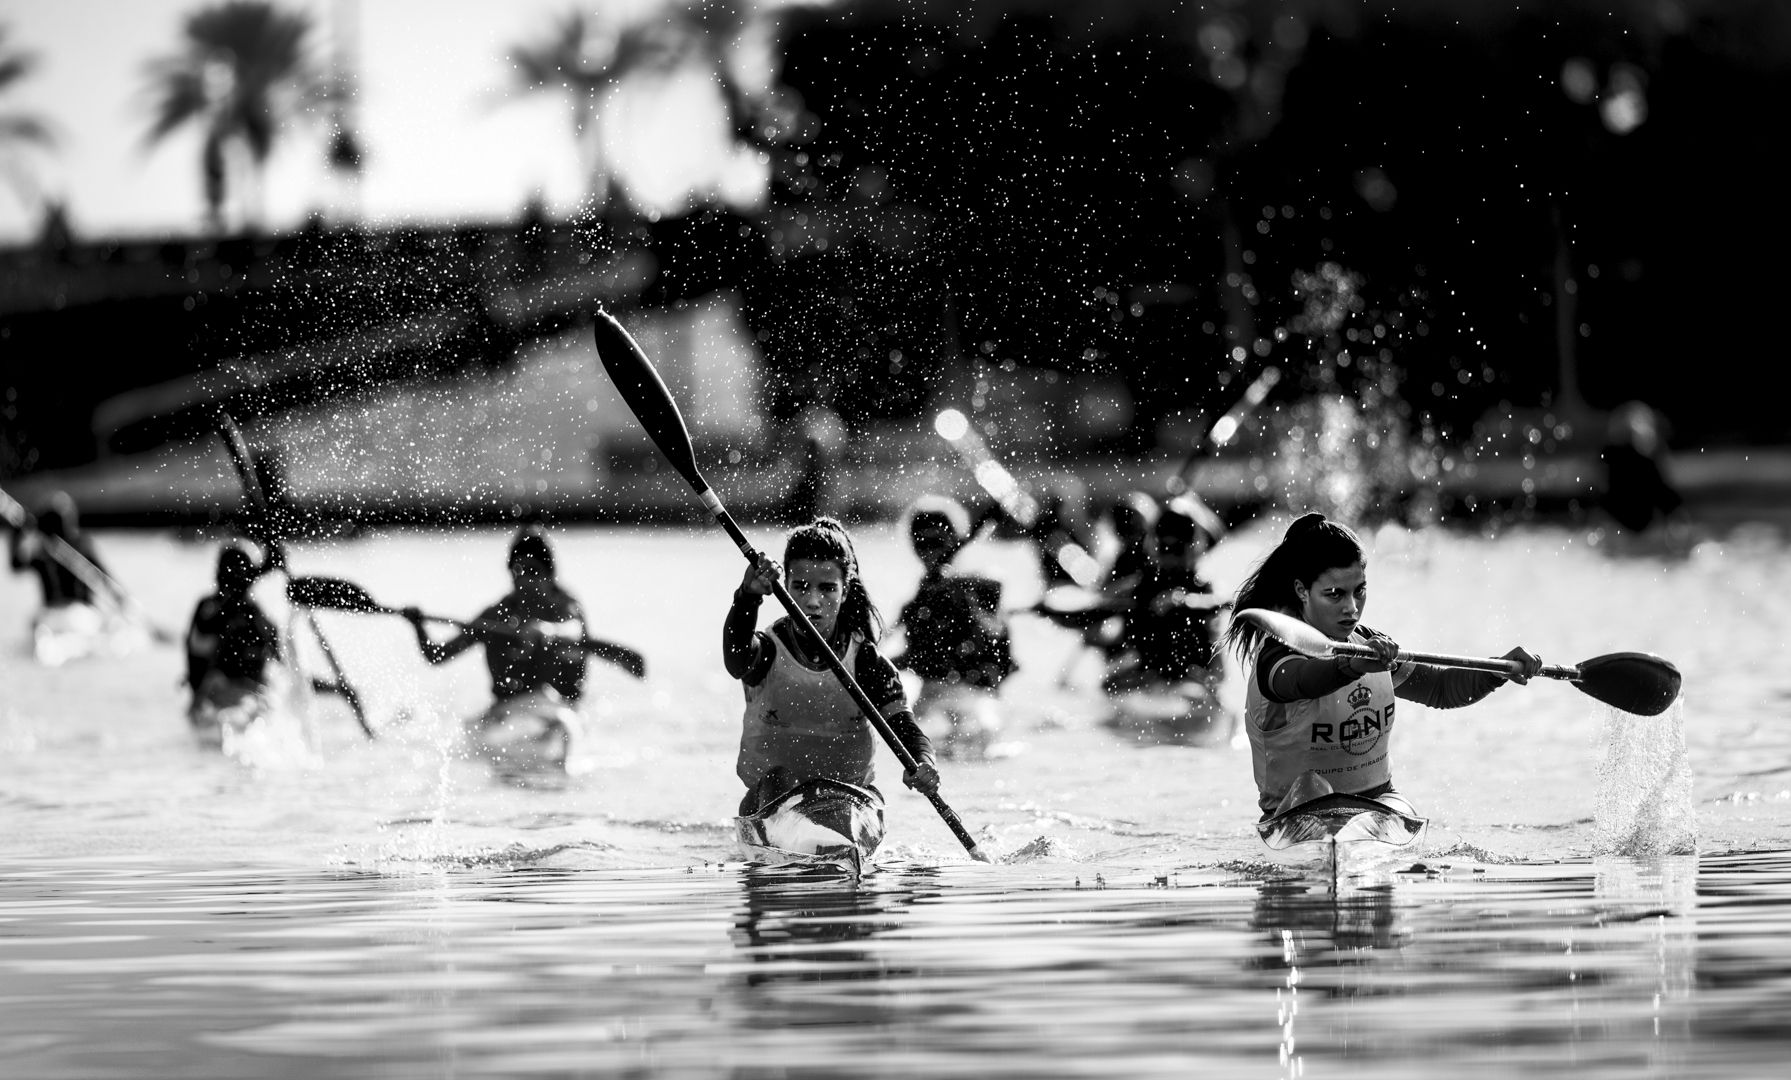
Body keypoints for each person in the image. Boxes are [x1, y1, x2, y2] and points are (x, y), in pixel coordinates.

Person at [1224, 513, 1543, 820]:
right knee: (1312, 788)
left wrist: (1496, 670)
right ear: (1301, 591)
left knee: (1398, 805)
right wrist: (1351, 666)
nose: (1352, 608)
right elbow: (1304, 681)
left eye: (1359, 591)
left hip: (1378, 804)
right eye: (1335, 594)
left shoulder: (1371, 644)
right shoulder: (1276, 657)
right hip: (1297, 808)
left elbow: (1441, 689)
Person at [725, 516, 941, 815]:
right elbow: (736, 660)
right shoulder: (767, 652)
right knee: (780, 779)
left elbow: (905, 728)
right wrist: (747, 597)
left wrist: (924, 763)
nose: (813, 600)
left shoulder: (867, 663)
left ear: (845, 591)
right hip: (770, 801)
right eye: (800, 587)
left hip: (851, 802)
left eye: (827, 588)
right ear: (784, 586)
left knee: (860, 797)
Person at [404, 525, 590, 764]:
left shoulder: (565, 608)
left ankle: (549, 739)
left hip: (559, 709)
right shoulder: (496, 616)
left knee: (558, 719)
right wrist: (418, 627)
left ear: (549, 575)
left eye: (533, 572)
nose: (524, 581)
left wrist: (547, 630)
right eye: (517, 571)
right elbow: (436, 655)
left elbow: (574, 631)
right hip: (507, 712)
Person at [891, 495, 1015, 756]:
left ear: (955, 540)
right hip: (931, 702)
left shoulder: (981, 585)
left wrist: (956, 591)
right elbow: (912, 655)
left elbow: (992, 630)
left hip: (977, 703)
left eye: (936, 542)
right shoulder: (918, 600)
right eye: (921, 543)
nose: (928, 552)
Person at [184, 542, 282, 724]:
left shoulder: (257, 615)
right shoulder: (208, 608)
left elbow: (283, 666)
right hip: (213, 696)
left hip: (252, 696)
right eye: (240, 572)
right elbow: (210, 626)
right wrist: (262, 571)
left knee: (264, 698)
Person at [8, 490, 104, 609]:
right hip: (79, 613)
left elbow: (16, 565)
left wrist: (17, 532)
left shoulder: (41, 550)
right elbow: (103, 577)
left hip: (49, 615)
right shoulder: (82, 544)